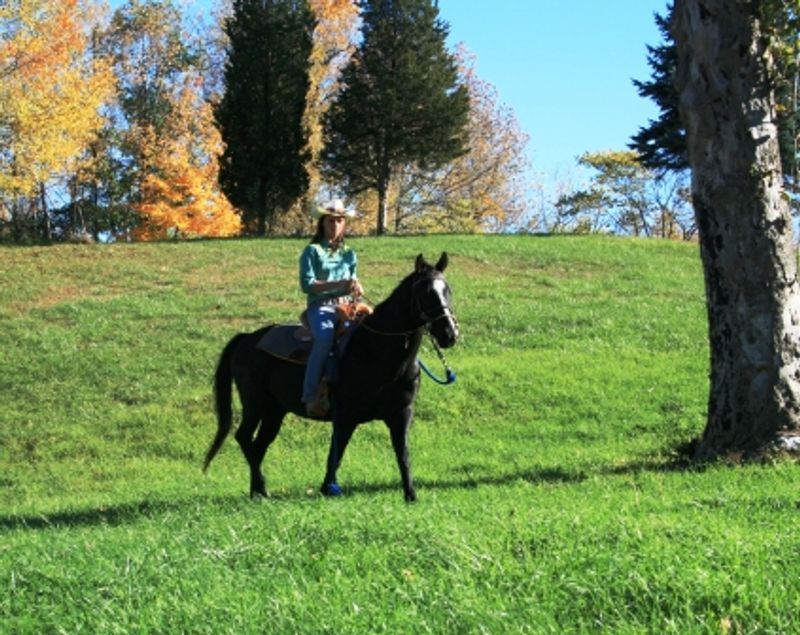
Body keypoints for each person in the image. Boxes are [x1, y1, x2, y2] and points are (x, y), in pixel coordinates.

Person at [299, 198, 363, 417]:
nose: (336, 225)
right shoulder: (312, 251)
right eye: (331, 220)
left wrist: (356, 287)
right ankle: (309, 396)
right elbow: (307, 285)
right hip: (321, 307)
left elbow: (352, 280)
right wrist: (340, 285)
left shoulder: (349, 254)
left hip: (347, 306)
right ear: (322, 223)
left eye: (340, 220)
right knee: (325, 339)